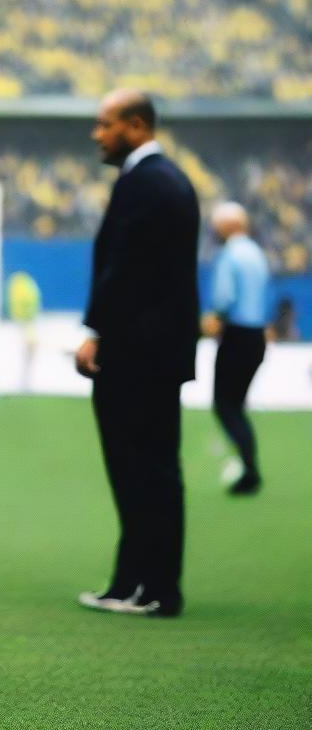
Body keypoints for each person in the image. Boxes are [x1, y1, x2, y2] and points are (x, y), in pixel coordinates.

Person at [74, 89, 199, 618]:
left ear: (138, 125)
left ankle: (155, 588)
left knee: (144, 468)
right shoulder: (160, 180)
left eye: (106, 124)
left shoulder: (148, 183)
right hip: (151, 353)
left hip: (138, 356)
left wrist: (95, 330)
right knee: (142, 468)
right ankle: (133, 581)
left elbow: (124, 270)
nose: (97, 134)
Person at [202, 202, 269, 495]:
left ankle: (249, 469)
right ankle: (248, 466)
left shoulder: (229, 255)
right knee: (237, 405)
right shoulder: (256, 253)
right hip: (255, 336)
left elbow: (224, 299)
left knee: (225, 404)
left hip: (236, 336)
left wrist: (210, 320)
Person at [6, 270, 41, 392]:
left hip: (26, 325)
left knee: (29, 348)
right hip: (22, 324)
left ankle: (24, 381)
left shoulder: (21, 287)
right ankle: (22, 381)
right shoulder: (23, 287)